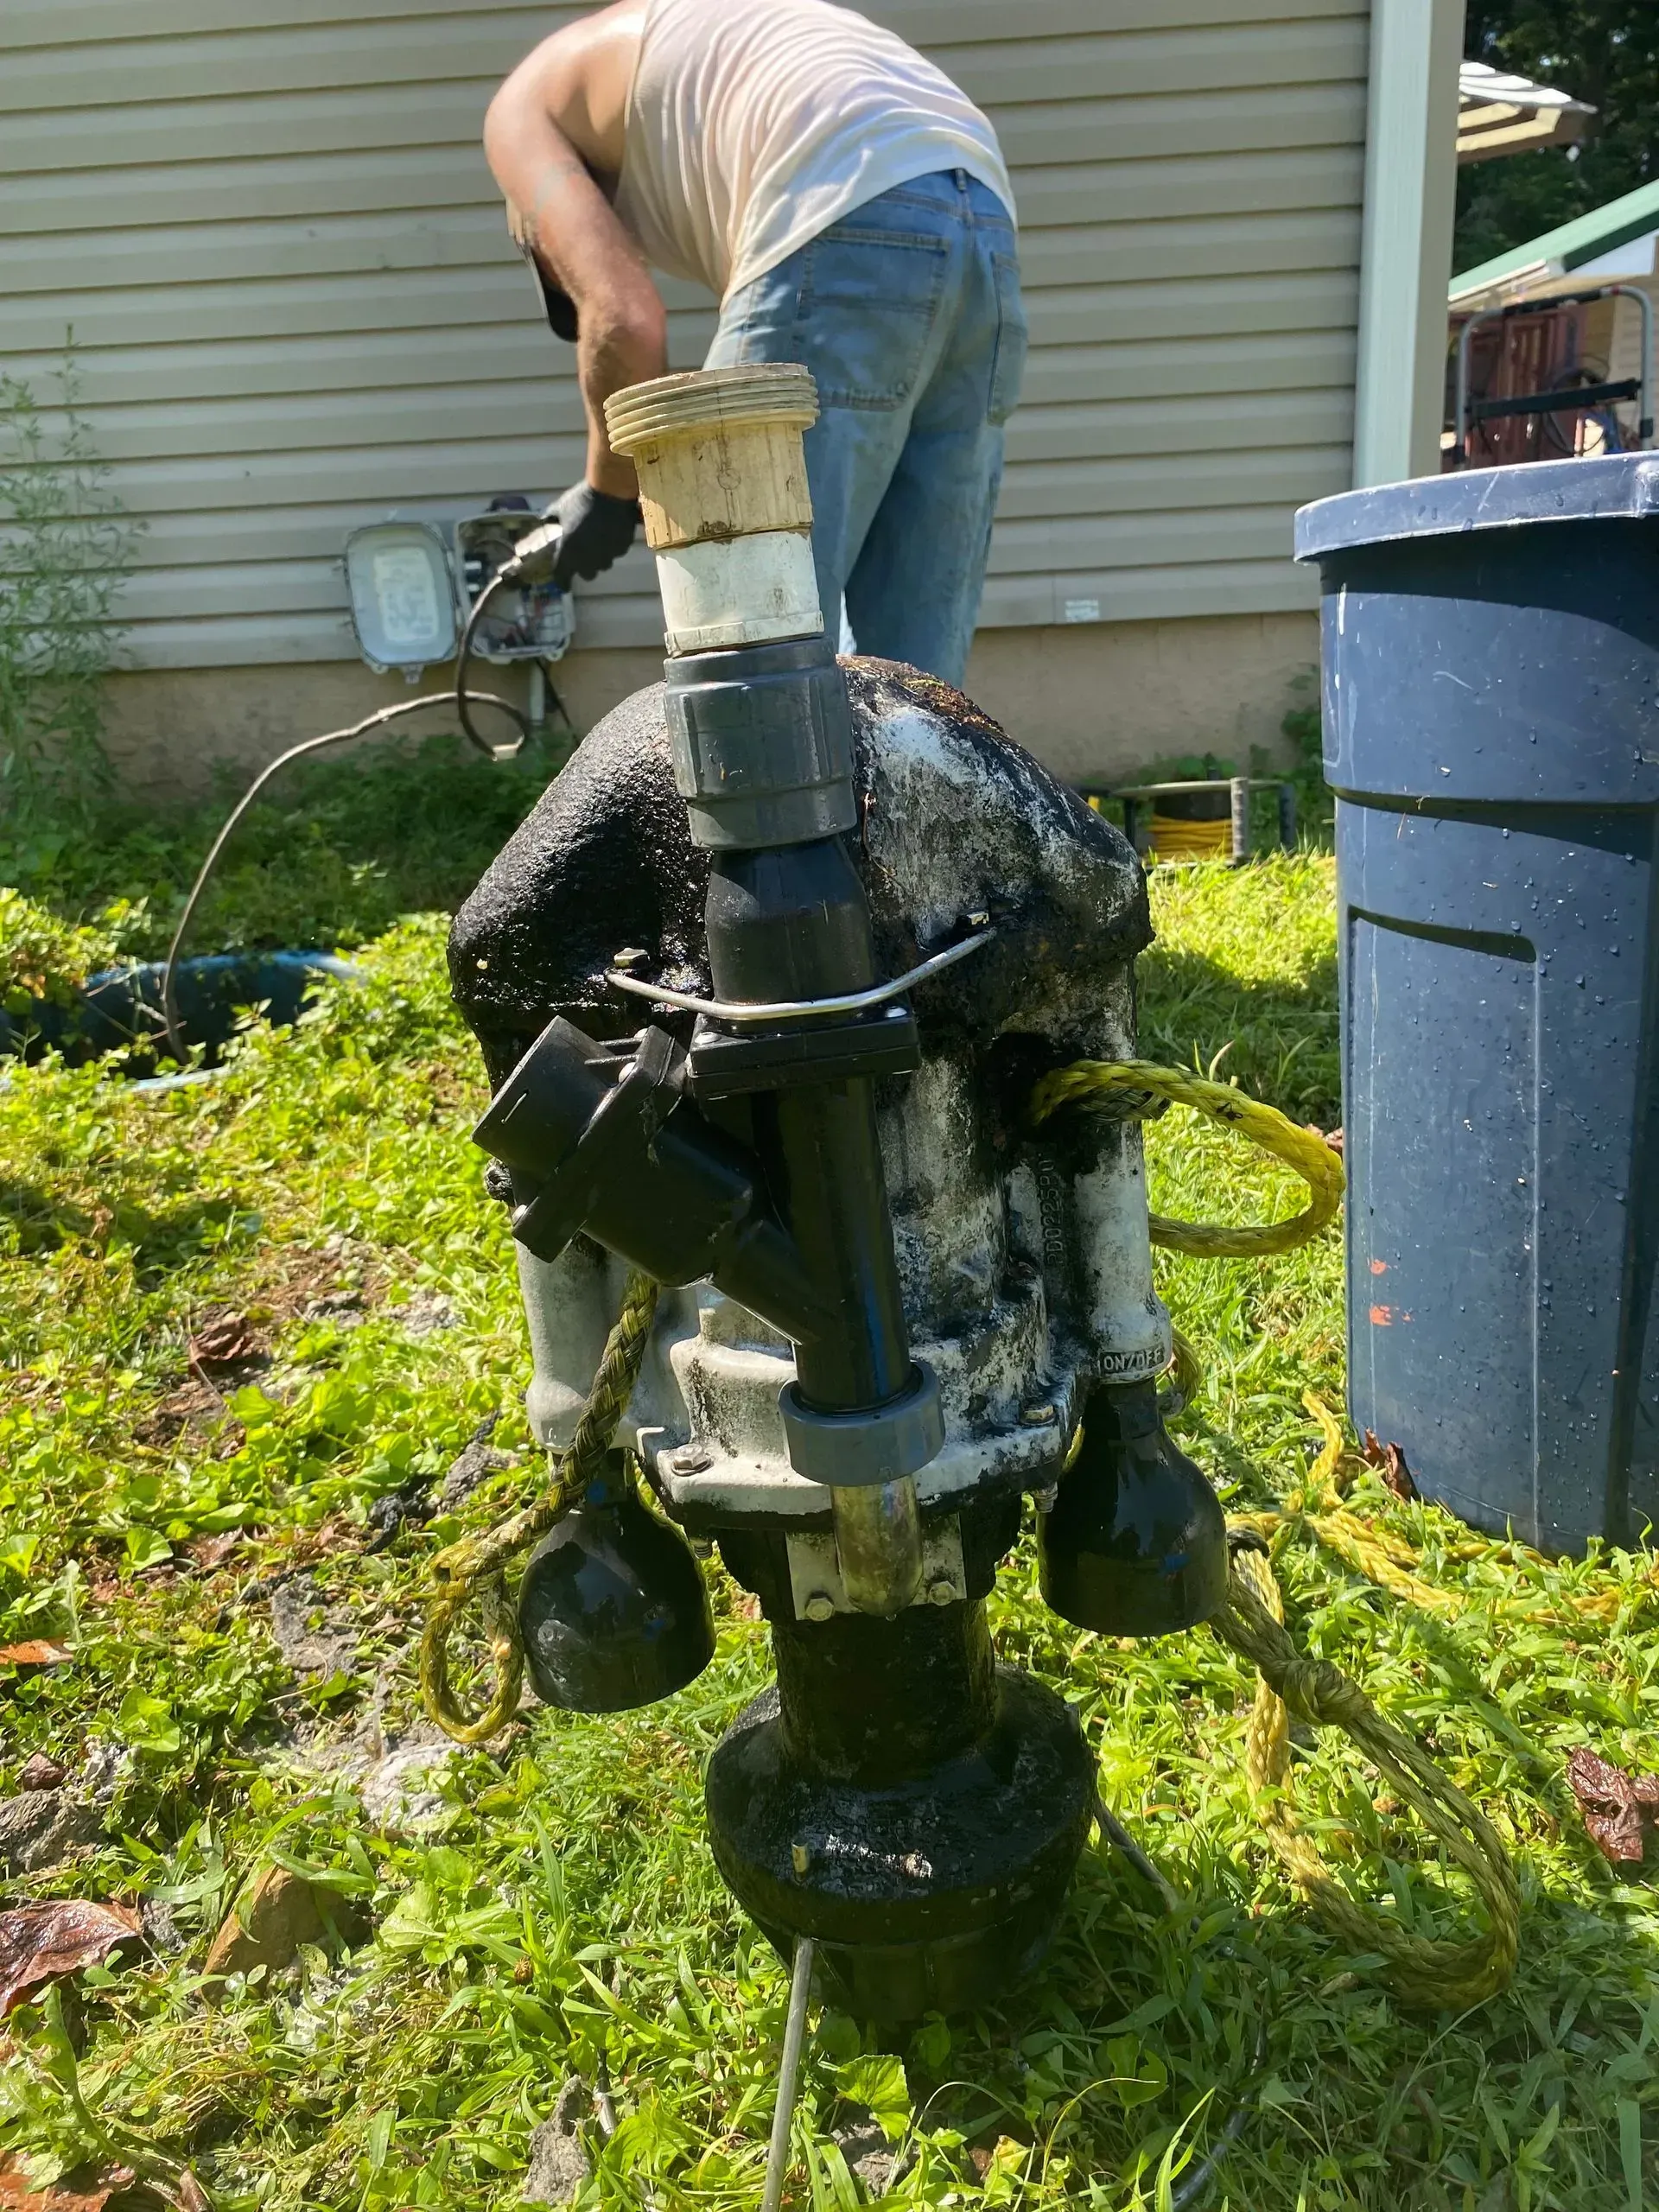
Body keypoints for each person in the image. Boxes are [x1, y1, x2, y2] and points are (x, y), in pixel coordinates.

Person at [484, 0, 1026, 688]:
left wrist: (608, 491)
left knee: (748, 636)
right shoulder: (701, 83)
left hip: (830, 185)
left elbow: (623, 321)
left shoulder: (520, 111)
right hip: (979, 210)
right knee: (915, 686)